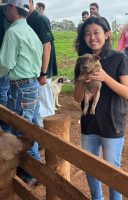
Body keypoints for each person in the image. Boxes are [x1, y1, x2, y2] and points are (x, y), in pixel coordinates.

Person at [74, 17, 128, 200]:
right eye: (87, 34)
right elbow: (78, 99)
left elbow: (127, 93)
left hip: (112, 123)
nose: (91, 37)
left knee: (112, 172)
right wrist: (81, 82)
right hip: (89, 123)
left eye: (96, 32)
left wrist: (106, 78)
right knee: (90, 167)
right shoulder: (83, 60)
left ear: (107, 34)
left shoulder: (119, 58)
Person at [0, 0, 43, 185]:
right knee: (29, 126)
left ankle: (34, 173)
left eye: (6, 8)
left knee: (21, 130)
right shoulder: (30, 32)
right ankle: (33, 171)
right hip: (32, 85)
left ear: (11, 8)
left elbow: (6, 64)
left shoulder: (12, 32)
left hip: (20, 87)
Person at [27, 0, 58, 127]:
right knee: (38, 101)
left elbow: (47, 46)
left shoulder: (40, 19)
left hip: (43, 69)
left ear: (30, 2)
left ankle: (49, 136)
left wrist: (43, 73)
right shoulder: (27, 19)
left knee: (45, 101)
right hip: (34, 68)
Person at [0, 1, 10, 132]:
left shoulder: (4, 10)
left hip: (3, 60)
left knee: (2, 91)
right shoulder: (6, 10)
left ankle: (5, 124)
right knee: (4, 91)